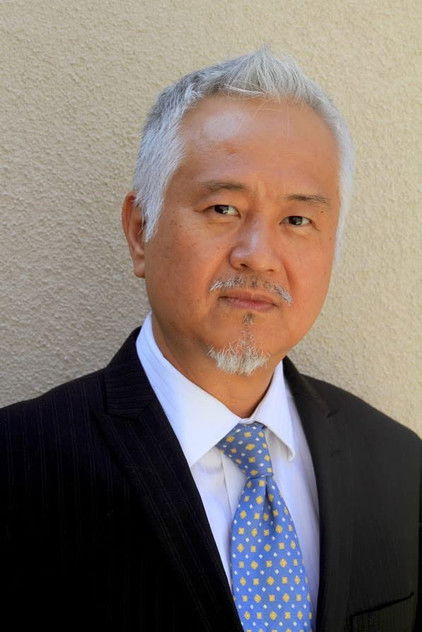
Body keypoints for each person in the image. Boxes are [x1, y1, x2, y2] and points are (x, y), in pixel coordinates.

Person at [0, 48, 419, 632]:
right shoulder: (18, 469)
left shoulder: (401, 468)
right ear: (140, 231)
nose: (258, 256)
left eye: (297, 220)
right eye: (223, 208)